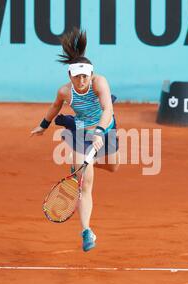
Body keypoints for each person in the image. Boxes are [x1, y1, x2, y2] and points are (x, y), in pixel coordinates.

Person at [30, 28, 120, 252]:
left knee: (114, 166)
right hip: (80, 132)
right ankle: (87, 231)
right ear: (70, 76)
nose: (81, 80)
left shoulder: (100, 83)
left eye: (85, 76)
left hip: (104, 127)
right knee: (85, 185)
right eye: (77, 76)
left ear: (91, 75)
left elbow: (107, 108)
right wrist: (43, 126)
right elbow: (54, 107)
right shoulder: (64, 92)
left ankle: (89, 163)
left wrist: (99, 132)